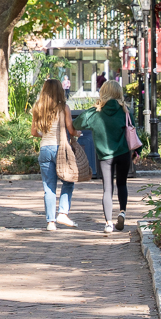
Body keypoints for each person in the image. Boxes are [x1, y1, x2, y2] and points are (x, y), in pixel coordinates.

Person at [73, 81, 134, 233]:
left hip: (105, 156)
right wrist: (137, 152)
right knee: (122, 184)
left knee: (107, 188)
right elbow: (133, 131)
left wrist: (93, 107)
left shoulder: (96, 112)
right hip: (123, 153)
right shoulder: (125, 111)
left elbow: (77, 123)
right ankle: (122, 212)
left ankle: (108, 223)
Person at [30, 79, 77, 230]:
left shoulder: (38, 108)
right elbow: (70, 129)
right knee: (68, 181)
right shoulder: (64, 108)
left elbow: (33, 132)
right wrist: (78, 133)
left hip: (45, 149)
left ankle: (50, 222)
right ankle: (62, 212)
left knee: (49, 187)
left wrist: (44, 136)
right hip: (60, 149)